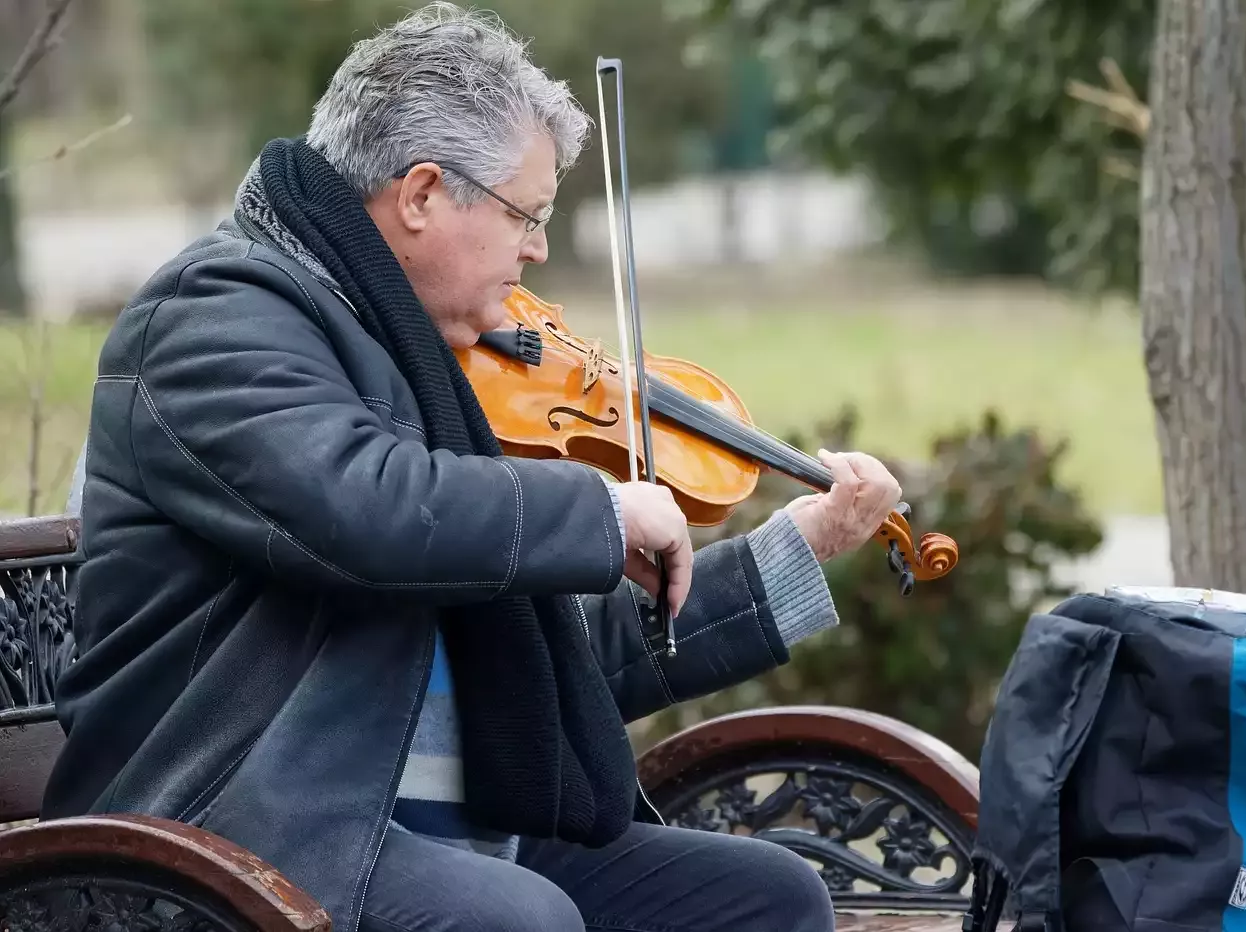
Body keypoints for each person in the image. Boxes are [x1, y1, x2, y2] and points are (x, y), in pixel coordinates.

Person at [44, 5, 904, 931]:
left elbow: (562, 661)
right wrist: (603, 511)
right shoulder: (216, 313)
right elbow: (361, 512)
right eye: (524, 215)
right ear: (420, 195)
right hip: (242, 838)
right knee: (520, 920)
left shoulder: (431, 362)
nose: (536, 249)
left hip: (451, 831)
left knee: (765, 899)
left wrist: (795, 551)